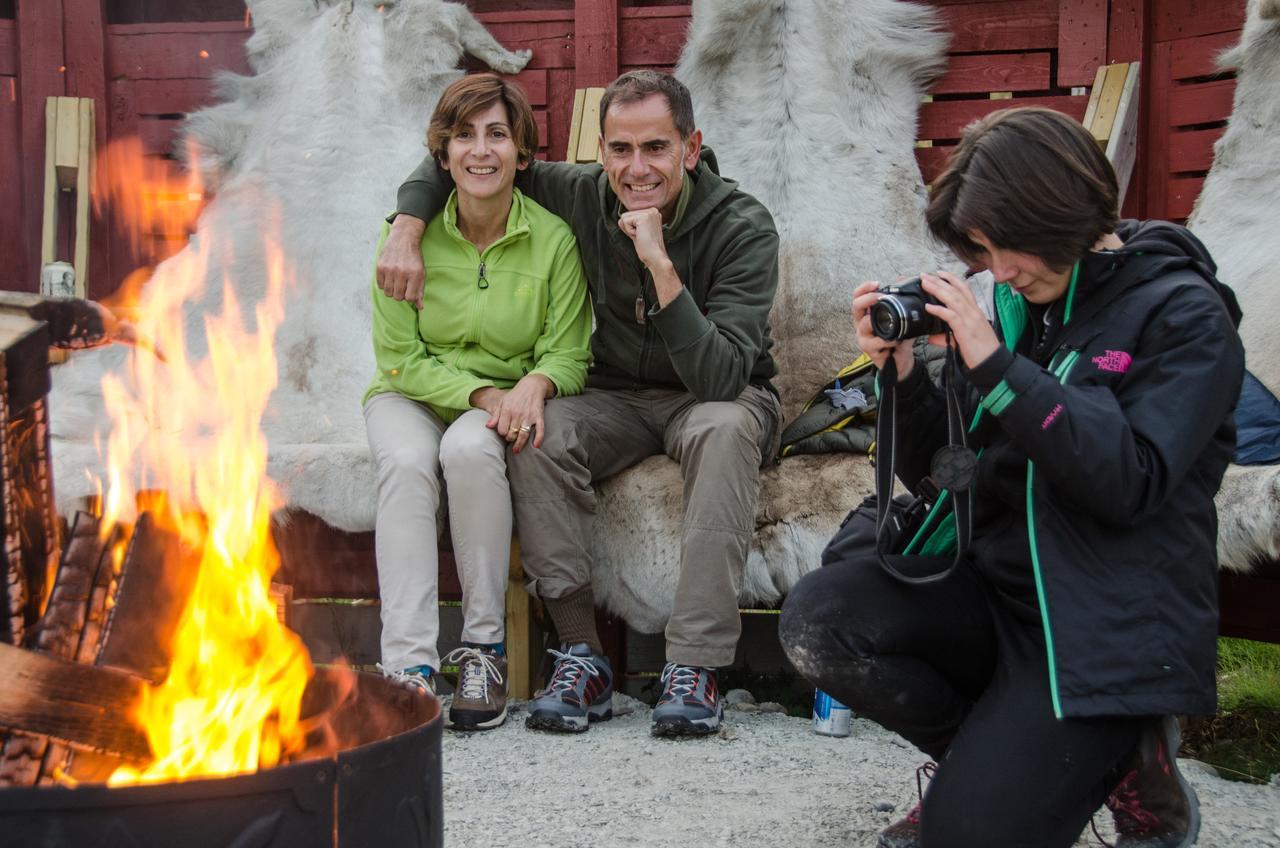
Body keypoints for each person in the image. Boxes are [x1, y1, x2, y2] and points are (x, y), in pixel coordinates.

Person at [779, 106, 1243, 848]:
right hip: (993, 595)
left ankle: (1127, 762)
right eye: (982, 252)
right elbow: (955, 469)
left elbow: (1132, 481)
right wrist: (899, 377)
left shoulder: (1184, 315)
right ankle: (985, 761)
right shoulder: (1013, 301)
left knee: (963, 839)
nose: (996, 270)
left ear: (1060, 212)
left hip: (1095, 634)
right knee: (820, 621)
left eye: (1004, 248)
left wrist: (999, 366)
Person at [377, 70, 782, 737]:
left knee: (722, 428)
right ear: (600, 151)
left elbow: (719, 376)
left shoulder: (742, 225)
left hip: (718, 397)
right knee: (541, 428)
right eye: (619, 150)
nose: (636, 167)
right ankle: (581, 655)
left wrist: (660, 266)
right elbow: (470, 157)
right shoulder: (579, 193)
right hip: (616, 397)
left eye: (655, 147)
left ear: (691, 146)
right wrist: (408, 223)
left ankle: (694, 666)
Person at [363, 74, 591, 731]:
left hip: (489, 407)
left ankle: (483, 652)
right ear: (441, 155)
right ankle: (408, 667)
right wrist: (483, 391)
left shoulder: (551, 240)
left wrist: (536, 384)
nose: (480, 151)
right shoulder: (405, 240)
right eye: (464, 136)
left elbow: (569, 351)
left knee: (467, 449)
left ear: (523, 152)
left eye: (497, 134)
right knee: (407, 463)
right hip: (408, 394)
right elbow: (399, 359)